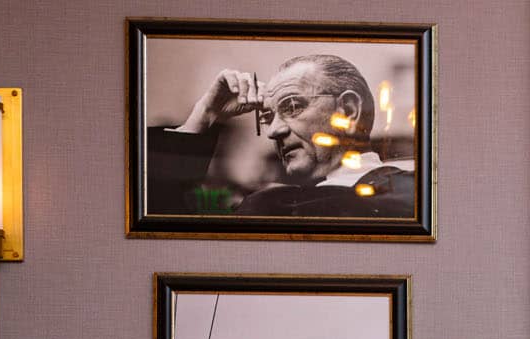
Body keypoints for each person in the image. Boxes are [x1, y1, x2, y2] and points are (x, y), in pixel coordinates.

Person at [147, 53, 415, 217]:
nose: (273, 131)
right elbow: (156, 231)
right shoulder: (267, 201)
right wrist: (204, 115)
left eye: (293, 106)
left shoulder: (411, 196)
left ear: (347, 110)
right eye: (267, 117)